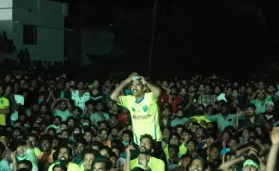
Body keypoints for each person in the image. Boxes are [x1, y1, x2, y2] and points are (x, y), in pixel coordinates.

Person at [110, 72, 162, 159]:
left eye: (138, 85)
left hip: (153, 140)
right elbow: (113, 96)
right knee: (133, 165)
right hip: (138, 141)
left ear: (144, 88)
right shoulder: (129, 100)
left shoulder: (150, 97)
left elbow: (158, 91)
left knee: (151, 166)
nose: (134, 87)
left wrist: (146, 82)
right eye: (132, 85)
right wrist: (126, 81)